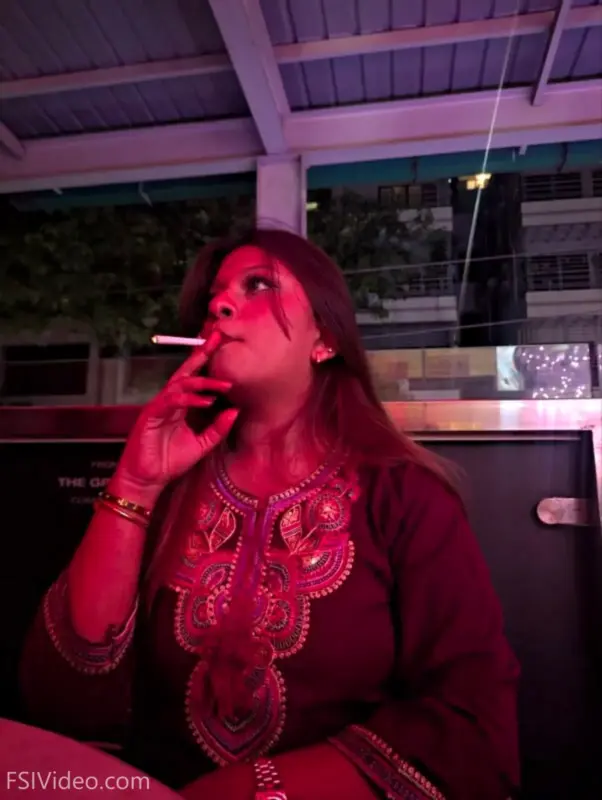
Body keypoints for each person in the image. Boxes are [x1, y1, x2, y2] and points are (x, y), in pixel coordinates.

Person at [19, 228, 520, 800]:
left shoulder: (406, 498)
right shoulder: (172, 488)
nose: (220, 306)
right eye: (214, 299)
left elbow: (474, 725)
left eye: (257, 285)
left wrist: (250, 790)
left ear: (324, 338)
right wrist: (135, 484)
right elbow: (65, 699)